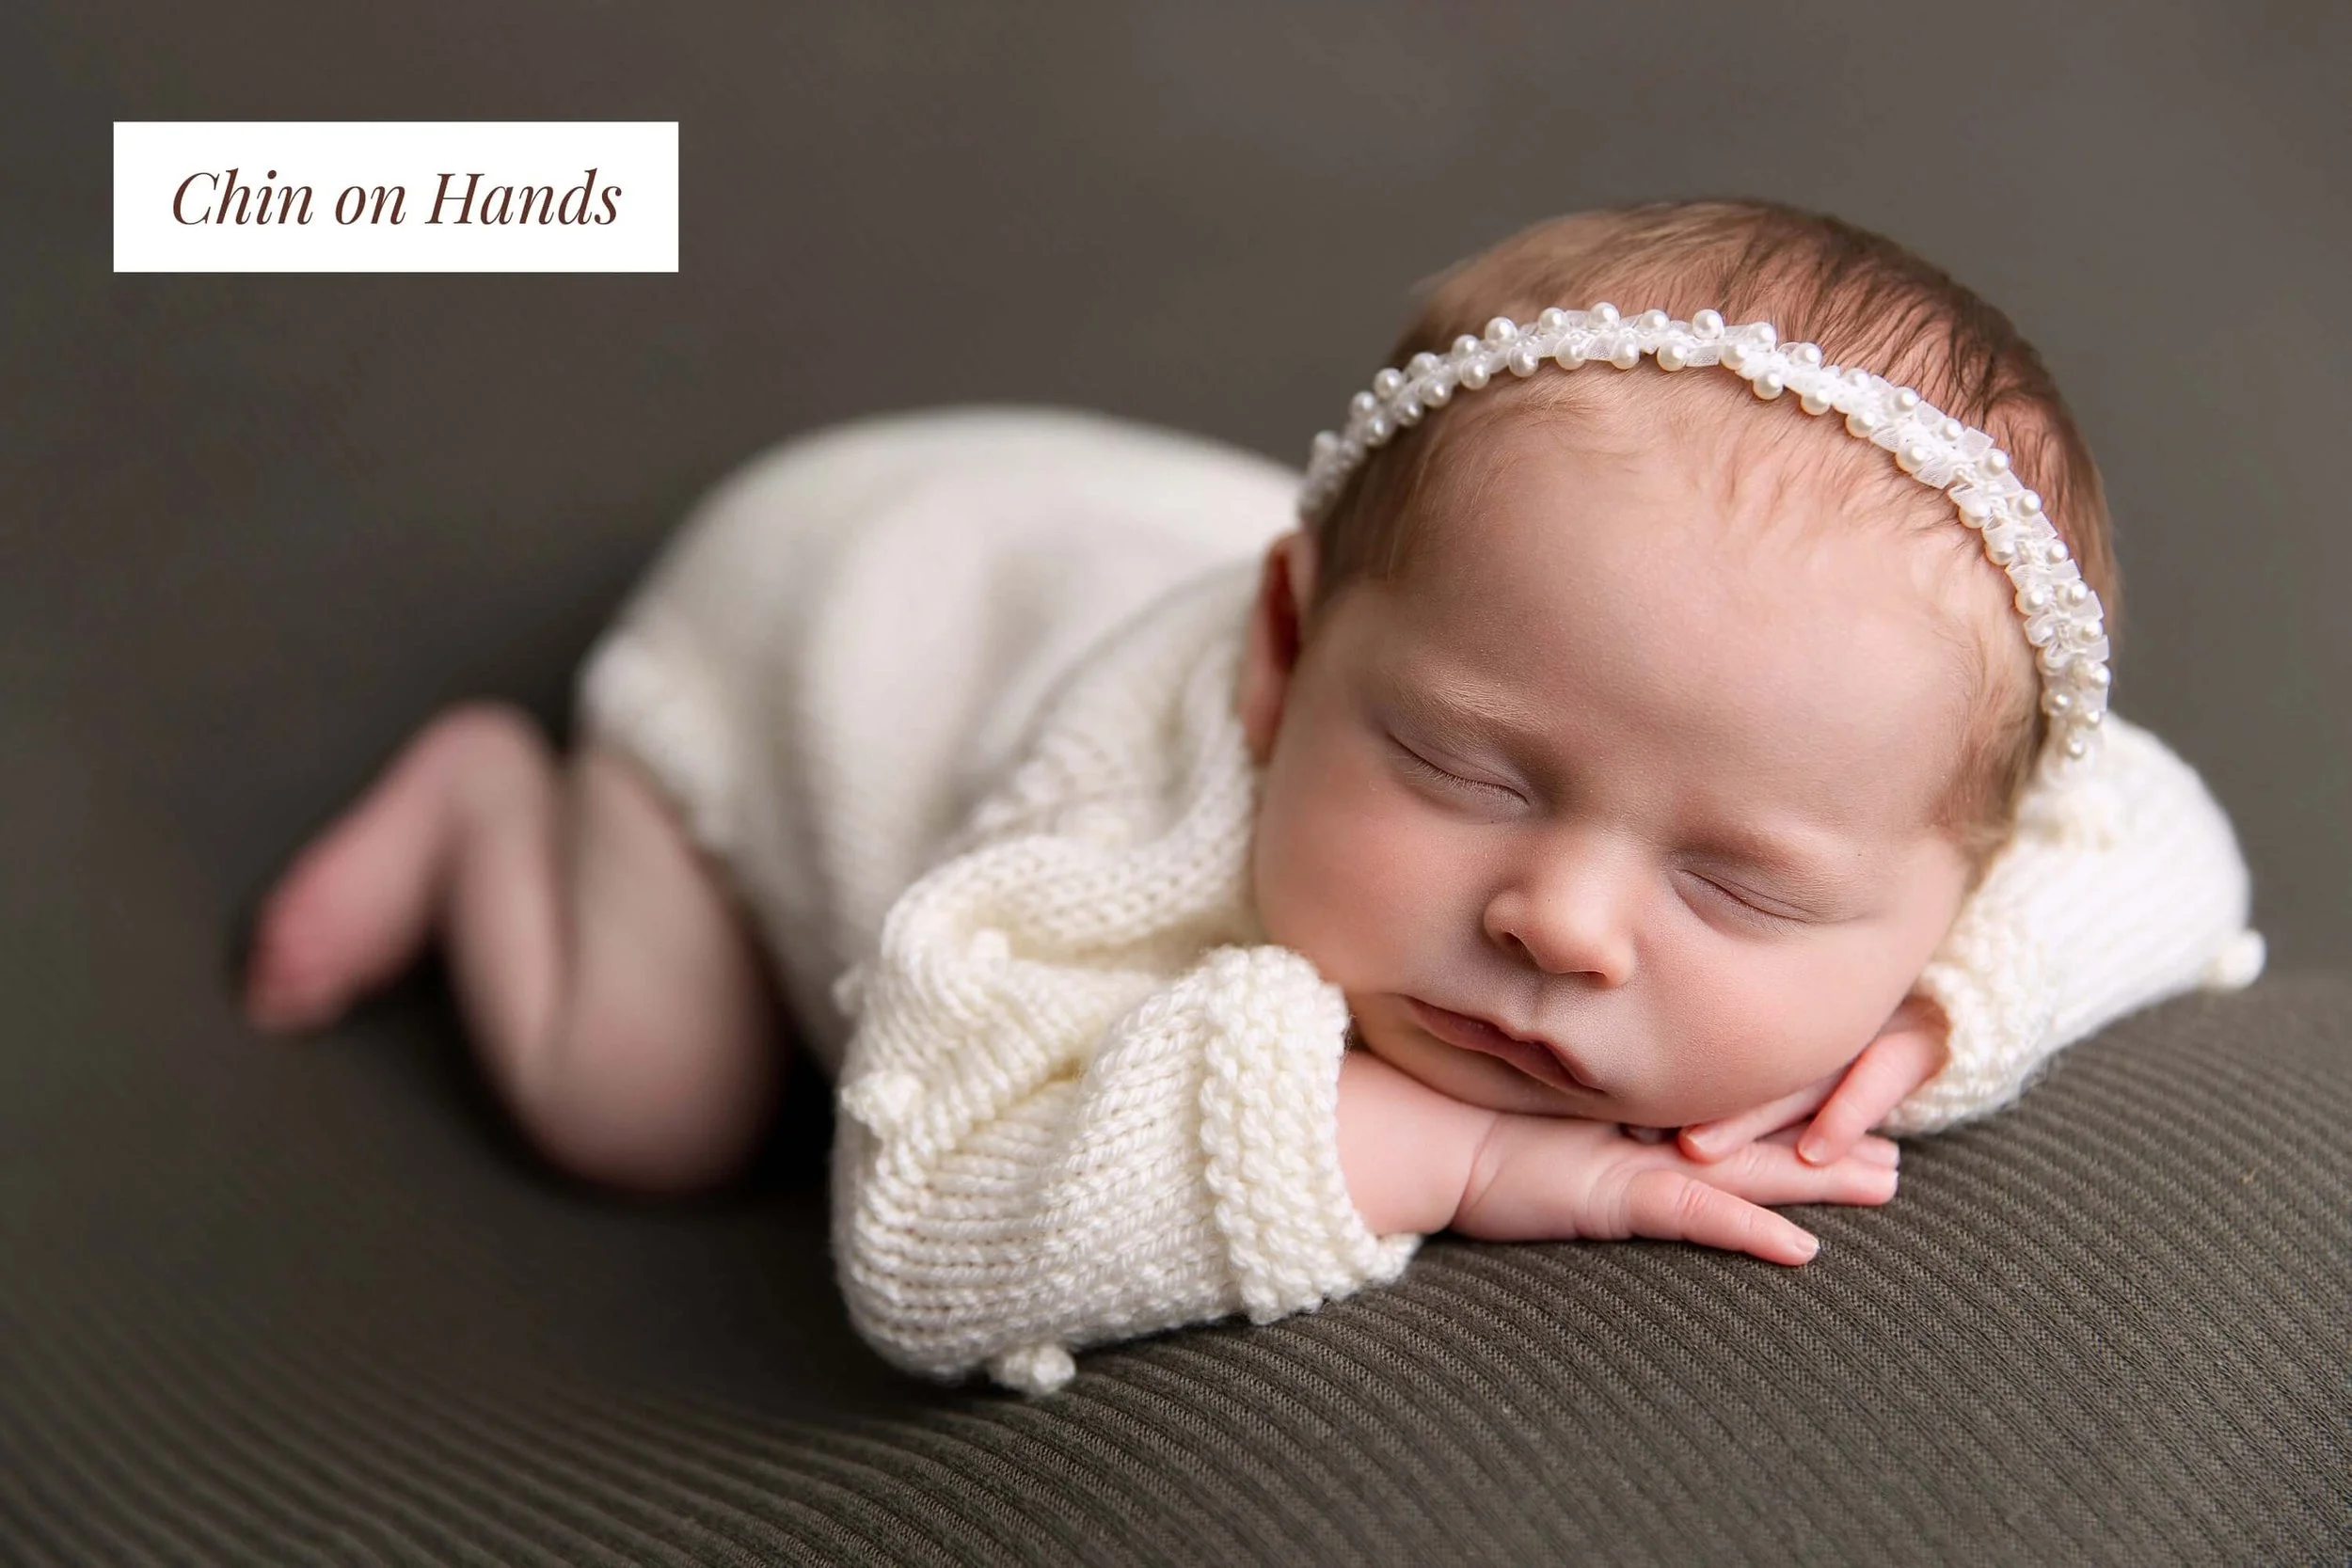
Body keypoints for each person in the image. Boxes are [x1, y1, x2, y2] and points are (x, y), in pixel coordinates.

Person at [237, 199, 2263, 1395]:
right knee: (648, 1107)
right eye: (1466, 770)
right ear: (1283, 657)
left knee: (1544, 638)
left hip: (1142, 523)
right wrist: (1439, 1152)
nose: (1558, 917)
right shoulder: (1114, 842)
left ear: (1959, 870)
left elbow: (2166, 841)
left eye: (1736, 883)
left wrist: (1920, 1020)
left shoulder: (1886, 794)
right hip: (824, 611)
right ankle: (500, 803)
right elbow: (931, 1232)